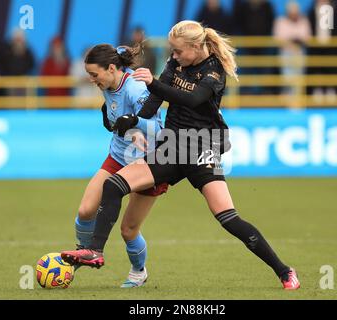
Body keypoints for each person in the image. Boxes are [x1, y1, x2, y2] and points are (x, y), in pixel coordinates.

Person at [62, 20, 300, 290]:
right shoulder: (175, 64)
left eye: (177, 52)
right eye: (172, 52)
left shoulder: (214, 71)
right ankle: (95, 251)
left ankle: (284, 271)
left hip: (201, 147)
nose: (173, 57)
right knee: (114, 184)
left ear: (195, 47)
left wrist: (152, 83)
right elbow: (152, 105)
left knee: (227, 217)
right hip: (171, 147)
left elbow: (192, 99)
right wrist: (134, 121)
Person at [70, 43, 167, 288]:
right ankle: (84, 251)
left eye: (94, 74)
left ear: (111, 68)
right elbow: (115, 114)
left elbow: (158, 129)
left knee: (128, 230)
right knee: (85, 211)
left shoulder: (136, 89)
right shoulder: (108, 83)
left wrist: (136, 127)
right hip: (118, 156)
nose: (92, 80)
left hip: (148, 162)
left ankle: (138, 271)